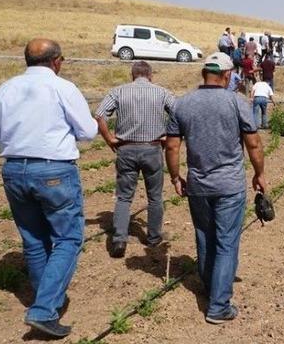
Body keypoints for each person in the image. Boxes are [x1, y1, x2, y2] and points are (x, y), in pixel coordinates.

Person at [0, 39, 97, 337]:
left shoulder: (5, 89)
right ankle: (44, 309)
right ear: (56, 61)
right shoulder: (63, 88)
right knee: (68, 238)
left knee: (33, 239)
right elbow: (88, 131)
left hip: (14, 170)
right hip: (53, 169)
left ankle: (46, 300)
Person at [165, 52, 266, 324]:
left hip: (198, 184)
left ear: (203, 74)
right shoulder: (236, 102)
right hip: (229, 185)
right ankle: (219, 306)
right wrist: (259, 174)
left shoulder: (182, 103)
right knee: (226, 242)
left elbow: (172, 146)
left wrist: (175, 178)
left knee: (204, 237)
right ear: (227, 74)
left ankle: (210, 288)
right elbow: (253, 143)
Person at [94, 61, 174, 258]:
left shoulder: (118, 91)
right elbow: (179, 113)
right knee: (154, 196)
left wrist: (109, 139)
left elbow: (99, 115)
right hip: (152, 148)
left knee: (124, 197)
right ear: (150, 75)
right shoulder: (162, 92)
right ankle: (153, 238)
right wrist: (168, 136)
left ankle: (119, 239)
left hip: (126, 149)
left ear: (132, 75)